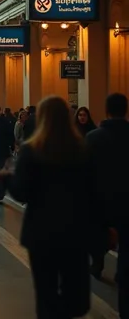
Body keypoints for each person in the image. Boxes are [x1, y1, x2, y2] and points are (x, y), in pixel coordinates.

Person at [0, 96, 96, 319]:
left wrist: (6, 178)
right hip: (75, 231)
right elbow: (94, 191)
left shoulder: (31, 151)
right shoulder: (83, 149)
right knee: (76, 292)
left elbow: (22, 192)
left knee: (46, 293)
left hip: (41, 232)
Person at [85, 93, 129, 304]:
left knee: (98, 236)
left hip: (101, 201)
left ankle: (97, 263)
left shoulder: (93, 138)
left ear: (106, 111)